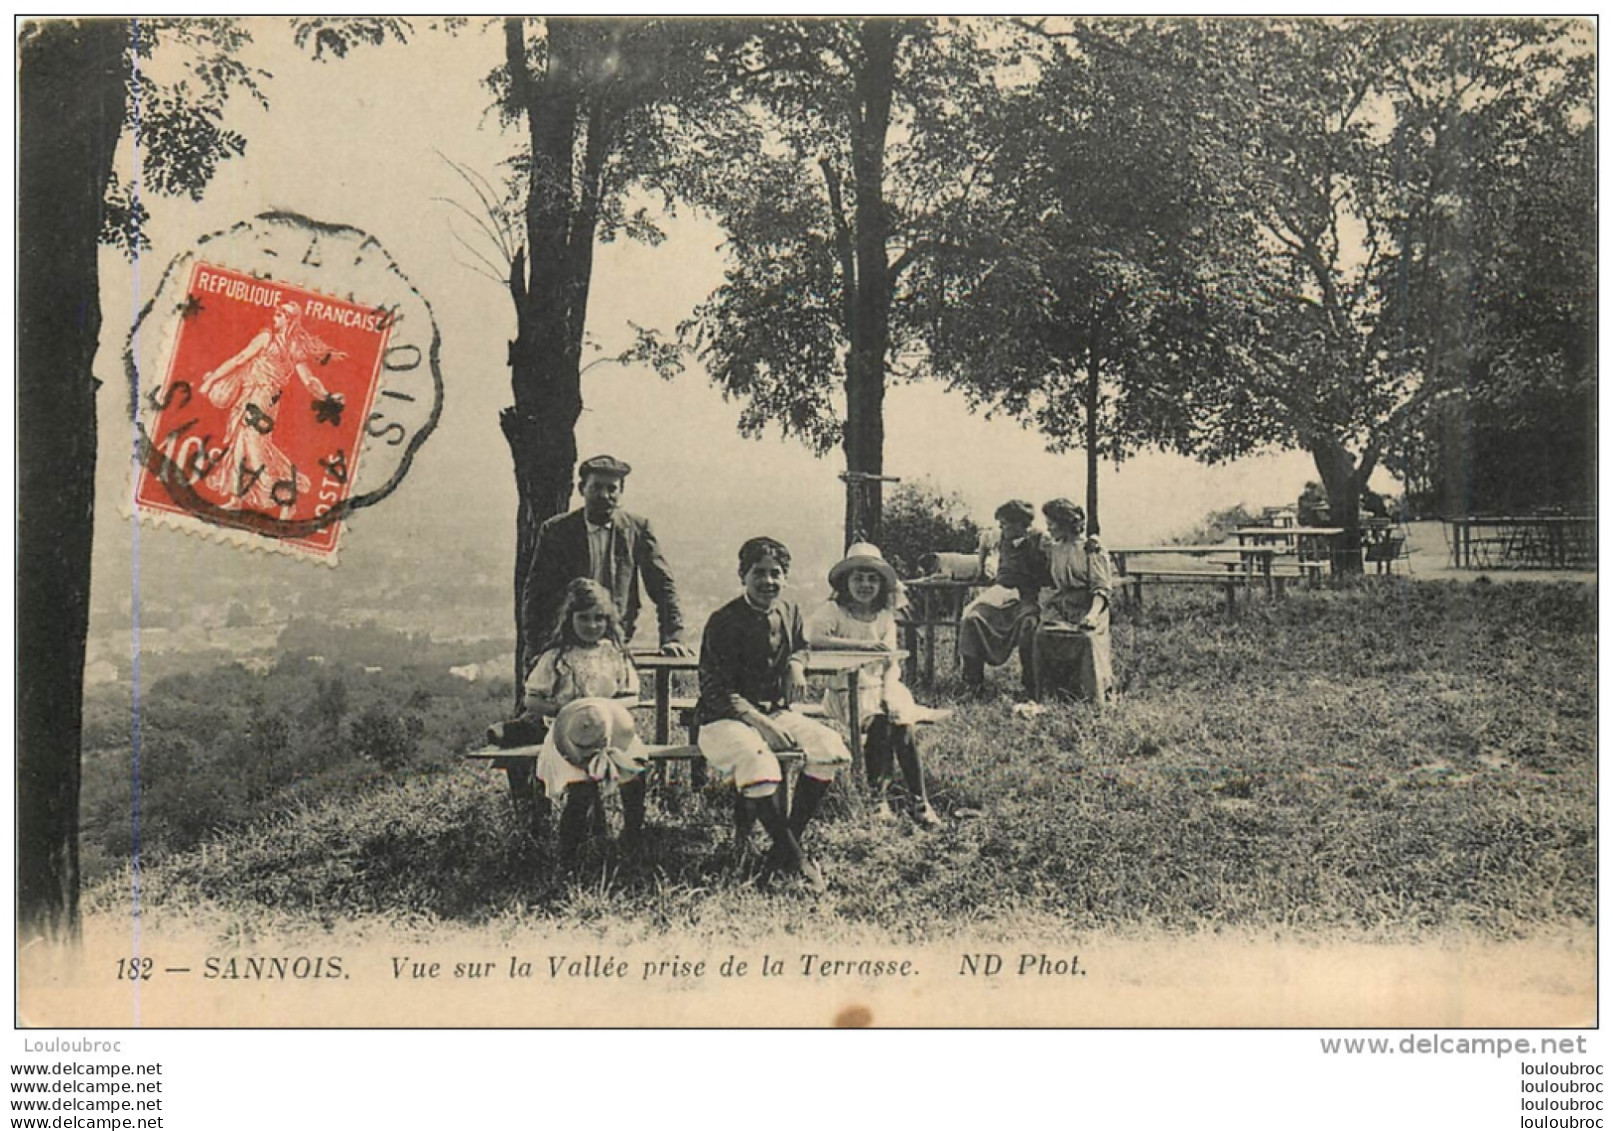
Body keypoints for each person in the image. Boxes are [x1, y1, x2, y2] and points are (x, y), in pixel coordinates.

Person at [695, 537, 851, 890]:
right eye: (759, 573)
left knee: (829, 746)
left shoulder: (790, 610)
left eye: (776, 573)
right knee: (758, 761)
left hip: (776, 711)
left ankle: (781, 848)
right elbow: (715, 689)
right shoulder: (723, 621)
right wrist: (760, 723)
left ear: (785, 577)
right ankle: (795, 860)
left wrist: (796, 665)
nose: (768, 581)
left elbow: (800, 647)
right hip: (725, 719)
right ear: (742, 575)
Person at [519, 454, 690, 685]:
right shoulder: (557, 531)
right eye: (596, 487)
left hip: (614, 636)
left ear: (621, 492)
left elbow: (663, 586)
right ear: (582, 489)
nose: (604, 495)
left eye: (612, 489)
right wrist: (536, 647)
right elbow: (536, 594)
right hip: (564, 637)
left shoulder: (636, 529)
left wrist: (672, 637)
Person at [807, 543, 942, 826]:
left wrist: (889, 693)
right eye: (858, 578)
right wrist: (863, 645)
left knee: (901, 723)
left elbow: (890, 661)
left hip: (882, 684)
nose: (865, 585)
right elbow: (815, 640)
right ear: (846, 582)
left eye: (872, 579)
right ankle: (876, 799)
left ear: (881, 585)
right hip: (846, 690)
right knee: (879, 724)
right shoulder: (833, 611)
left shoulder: (884, 617)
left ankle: (919, 801)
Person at [523, 578, 650, 853]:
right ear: (570, 619)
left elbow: (632, 694)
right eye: (584, 619)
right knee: (580, 790)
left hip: (612, 732)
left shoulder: (613, 654)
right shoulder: (557, 657)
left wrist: (606, 708)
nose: (592, 626)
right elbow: (532, 699)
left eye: (599, 619)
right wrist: (566, 711)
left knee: (635, 777)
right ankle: (569, 854)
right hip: (568, 736)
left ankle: (632, 840)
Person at [197, 301, 344, 518]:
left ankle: (286, 497)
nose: (276, 316)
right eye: (276, 312)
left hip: (262, 401)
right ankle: (236, 499)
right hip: (254, 397)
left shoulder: (286, 345)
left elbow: (309, 380)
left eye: (281, 314)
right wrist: (212, 380)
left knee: (255, 451)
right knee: (240, 447)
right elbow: (240, 360)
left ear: (290, 320)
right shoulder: (272, 339)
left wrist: (326, 396)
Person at [958, 500, 1049, 696]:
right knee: (971, 619)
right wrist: (983, 571)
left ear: (1020, 524)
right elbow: (984, 545)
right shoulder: (1001, 539)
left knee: (1029, 626)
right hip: (999, 596)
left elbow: (1050, 571)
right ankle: (973, 684)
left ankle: (1031, 687)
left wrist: (1034, 554)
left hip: (1025, 599)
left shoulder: (1039, 540)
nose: (1001, 527)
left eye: (1005, 523)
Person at [1032, 499, 1114, 708]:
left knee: (1085, 638)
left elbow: (1101, 589)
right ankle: (1052, 695)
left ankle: (1092, 698)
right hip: (1061, 605)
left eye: (1052, 523)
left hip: (1089, 605)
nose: (1048, 527)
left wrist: (1093, 615)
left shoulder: (1091, 547)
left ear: (1065, 523)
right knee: (1042, 635)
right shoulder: (1054, 548)